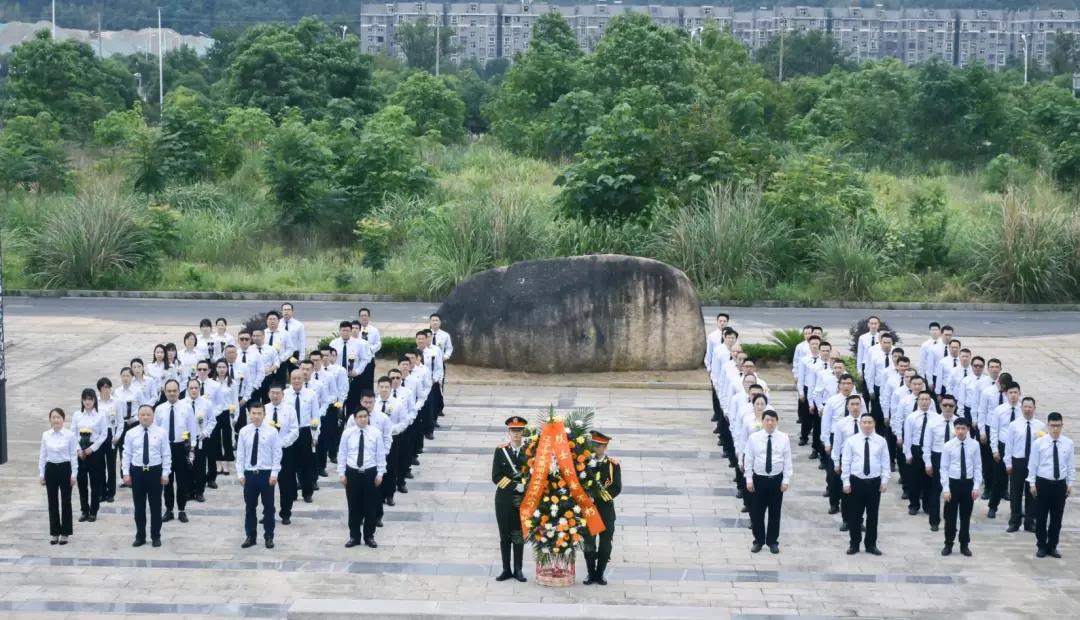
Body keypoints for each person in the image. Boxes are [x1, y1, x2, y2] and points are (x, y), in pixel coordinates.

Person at [122, 405, 171, 548]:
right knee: (139, 507)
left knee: (156, 506)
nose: (145, 417)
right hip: (137, 472)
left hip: (155, 472)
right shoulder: (131, 433)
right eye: (142, 414)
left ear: (153, 416)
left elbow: (166, 454)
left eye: (148, 414)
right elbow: (127, 454)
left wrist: (165, 473)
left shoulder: (161, 432)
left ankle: (156, 535)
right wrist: (125, 473)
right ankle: (140, 536)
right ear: (138, 416)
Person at [841, 413, 890, 555]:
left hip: (874, 482)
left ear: (874, 423)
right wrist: (846, 482)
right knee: (855, 516)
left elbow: (885, 462)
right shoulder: (852, 441)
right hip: (856, 481)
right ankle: (854, 544)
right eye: (864, 422)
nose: (867, 425)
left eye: (870, 422)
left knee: (873, 515)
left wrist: (885, 481)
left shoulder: (881, 441)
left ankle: (871, 544)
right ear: (860, 424)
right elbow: (846, 462)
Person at [338, 408, 387, 549]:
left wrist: (380, 473)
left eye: (365, 416)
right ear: (354, 418)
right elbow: (342, 453)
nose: (363, 419)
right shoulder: (348, 433)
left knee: (370, 506)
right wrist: (341, 473)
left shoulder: (375, 433)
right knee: (353, 506)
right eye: (360, 416)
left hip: (370, 473)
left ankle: (369, 536)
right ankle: (354, 536)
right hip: (352, 473)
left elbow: (380, 455)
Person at [744, 410, 792, 554]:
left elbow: (787, 460)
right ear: (762, 421)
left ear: (777, 422)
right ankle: (758, 540)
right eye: (767, 420)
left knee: (775, 512)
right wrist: (749, 479)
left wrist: (786, 480)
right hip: (759, 479)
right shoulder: (754, 438)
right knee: (757, 512)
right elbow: (749, 459)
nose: (770, 423)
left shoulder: (784, 438)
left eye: (773, 420)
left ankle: (772, 541)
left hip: (776, 480)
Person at [1028, 412, 1074, 558]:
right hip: (1043, 483)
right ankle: (1041, 545)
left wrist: (1070, 483)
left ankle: (1052, 546)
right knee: (1041, 517)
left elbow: (1070, 466)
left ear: (1062, 426)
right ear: (1048, 426)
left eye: (1058, 426)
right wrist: (1032, 484)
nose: (1055, 429)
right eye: (1053, 426)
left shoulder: (1068, 443)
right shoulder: (1039, 443)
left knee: (1056, 518)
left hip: (1060, 484)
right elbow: (1033, 464)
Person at [236, 402, 282, 549]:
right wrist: (240, 474)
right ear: (249, 414)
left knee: (268, 507)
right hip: (250, 474)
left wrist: (274, 473)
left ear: (264, 414)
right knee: (250, 507)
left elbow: (277, 454)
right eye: (253, 413)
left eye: (259, 413)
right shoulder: (244, 432)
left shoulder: (272, 432)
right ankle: (250, 536)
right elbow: (241, 454)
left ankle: (269, 536)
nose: (256, 416)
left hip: (266, 473)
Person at [154, 380, 197, 524]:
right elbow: (156, 431)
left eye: (174, 390)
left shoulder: (187, 407)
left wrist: (191, 450)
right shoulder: (159, 409)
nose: (172, 393)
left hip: (181, 447)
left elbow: (192, 429)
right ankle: (169, 509)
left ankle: (182, 510)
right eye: (169, 391)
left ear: (179, 391)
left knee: (182, 481)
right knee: (167, 480)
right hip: (165, 448)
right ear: (165, 392)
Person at [492, 416, 528, 582]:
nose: (516, 434)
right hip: (504, 501)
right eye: (513, 430)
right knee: (505, 535)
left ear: (523, 432)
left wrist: (525, 486)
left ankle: (518, 569)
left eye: (519, 430)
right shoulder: (501, 451)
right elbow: (496, 476)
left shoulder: (529, 451)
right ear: (509, 431)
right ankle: (506, 569)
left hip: (522, 501)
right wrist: (515, 486)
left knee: (518, 535)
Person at [939, 417, 980, 557]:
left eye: (963, 428)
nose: (960, 431)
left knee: (965, 517)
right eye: (958, 428)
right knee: (950, 517)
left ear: (968, 429)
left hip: (967, 483)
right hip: (953, 483)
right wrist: (946, 489)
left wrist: (976, 487)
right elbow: (943, 468)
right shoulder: (948, 445)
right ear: (954, 429)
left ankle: (964, 544)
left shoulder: (974, 445)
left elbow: (977, 467)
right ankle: (948, 543)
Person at [584, 431, 621, 585]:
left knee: (605, 544)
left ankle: (601, 573)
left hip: (605, 509)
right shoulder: (584, 463)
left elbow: (616, 488)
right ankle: (591, 573)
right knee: (589, 543)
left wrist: (596, 496)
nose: (594, 447)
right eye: (593, 444)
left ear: (605, 446)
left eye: (597, 445)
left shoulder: (613, 465)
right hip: (590, 509)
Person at [1003, 397, 1045, 533]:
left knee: (1031, 492)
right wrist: (1008, 463)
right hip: (1018, 461)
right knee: (1015, 492)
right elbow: (1009, 445)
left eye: (1030, 407)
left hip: (1033, 463)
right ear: (1021, 408)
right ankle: (1014, 522)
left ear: (1034, 408)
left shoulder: (1040, 426)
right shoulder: (1014, 425)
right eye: (1025, 407)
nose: (1027, 409)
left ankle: (1029, 521)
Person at [40, 408, 78, 545]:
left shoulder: (70, 435)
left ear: (63, 419)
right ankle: (55, 532)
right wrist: (41, 473)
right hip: (51, 469)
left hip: (65, 468)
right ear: (50, 419)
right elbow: (43, 456)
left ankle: (65, 533)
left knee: (66, 501)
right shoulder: (46, 435)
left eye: (58, 417)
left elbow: (73, 455)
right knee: (52, 502)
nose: (56, 420)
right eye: (53, 417)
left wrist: (74, 474)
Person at [73, 388, 108, 523]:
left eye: (90, 399)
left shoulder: (100, 415)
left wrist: (92, 449)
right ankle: (84, 510)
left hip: (94, 452)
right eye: (85, 399)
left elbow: (103, 434)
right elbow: (73, 434)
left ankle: (93, 511)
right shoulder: (77, 415)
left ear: (94, 400)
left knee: (95, 482)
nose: (88, 401)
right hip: (80, 452)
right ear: (82, 400)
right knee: (82, 482)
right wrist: (78, 449)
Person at [989, 381, 1023, 518]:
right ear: (1006, 394)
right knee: (999, 479)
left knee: (1019, 481)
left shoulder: (1023, 409)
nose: (1013, 395)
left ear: (1019, 394)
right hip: (1003, 446)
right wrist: (994, 449)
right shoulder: (1000, 410)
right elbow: (994, 430)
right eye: (1010, 393)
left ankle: (1018, 509)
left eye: (1016, 392)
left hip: (1018, 448)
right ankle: (993, 506)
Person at [285, 369, 318, 503]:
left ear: (303, 379)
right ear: (290, 380)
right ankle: (291, 492)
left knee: (306, 464)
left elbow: (315, 416)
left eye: (299, 378)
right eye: (294, 378)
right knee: (290, 465)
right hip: (290, 431)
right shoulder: (285, 394)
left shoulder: (311, 395)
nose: (297, 381)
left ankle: (307, 492)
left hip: (305, 431)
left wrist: (315, 435)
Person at [181, 379, 216, 503]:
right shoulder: (182, 403)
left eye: (196, 388)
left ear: (199, 389)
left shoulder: (207, 403)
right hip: (187, 440)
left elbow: (212, 421)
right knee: (187, 466)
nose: (194, 390)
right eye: (191, 388)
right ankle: (189, 491)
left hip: (201, 439)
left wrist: (205, 433)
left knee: (200, 466)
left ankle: (200, 491)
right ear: (187, 389)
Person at [96, 377, 119, 503]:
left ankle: (111, 492)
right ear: (99, 389)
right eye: (104, 387)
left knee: (111, 465)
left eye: (108, 387)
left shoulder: (116, 402)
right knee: (100, 465)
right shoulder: (96, 403)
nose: (106, 389)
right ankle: (101, 492)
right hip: (99, 434)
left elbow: (120, 421)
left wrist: (118, 436)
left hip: (111, 433)